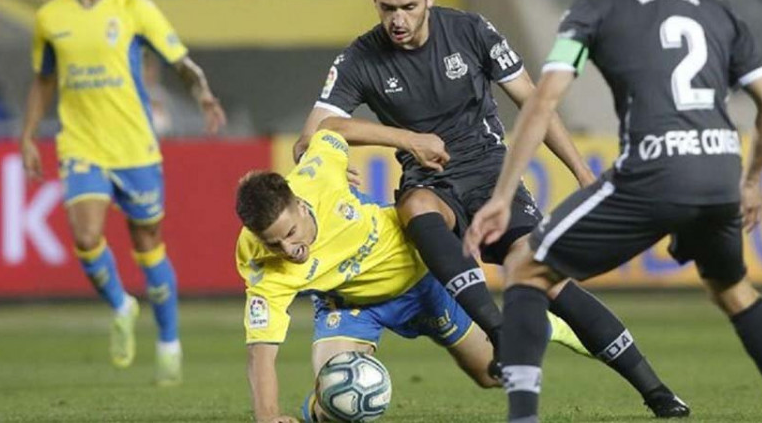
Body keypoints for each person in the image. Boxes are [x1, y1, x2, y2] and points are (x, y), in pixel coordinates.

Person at [296, 0, 689, 417]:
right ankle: (499, 330)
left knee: (546, 277)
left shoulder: (471, 31)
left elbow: (535, 104)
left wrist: (584, 173)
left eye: (408, 6)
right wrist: (392, 142)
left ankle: (656, 392)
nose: (397, 19)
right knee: (414, 208)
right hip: (431, 181)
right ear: (374, 1)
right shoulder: (361, 58)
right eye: (386, 8)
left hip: (489, 177)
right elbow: (310, 137)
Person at [464, 0, 762, 422]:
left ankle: (522, 417)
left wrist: (501, 196)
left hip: (654, 170)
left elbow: (544, 100)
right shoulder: (715, 4)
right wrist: (753, 180)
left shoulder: (594, 5)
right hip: (720, 169)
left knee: (526, 269)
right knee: (733, 289)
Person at [235, 129, 587, 423]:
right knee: (337, 392)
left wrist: (409, 140)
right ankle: (316, 413)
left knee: (491, 374)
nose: (289, 249)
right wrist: (267, 416)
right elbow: (261, 351)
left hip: (420, 280)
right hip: (348, 305)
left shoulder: (319, 174)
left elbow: (332, 126)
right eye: (274, 242)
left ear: (298, 203)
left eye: (291, 232)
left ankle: (538, 324)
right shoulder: (259, 261)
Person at [19, 0, 227, 386]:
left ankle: (169, 341)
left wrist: (204, 93)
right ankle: (121, 304)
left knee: (147, 243)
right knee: (86, 233)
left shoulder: (135, 8)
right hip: (81, 143)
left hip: (135, 148)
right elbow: (43, 80)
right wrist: (28, 134)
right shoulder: (50, 17)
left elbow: (180, 61)